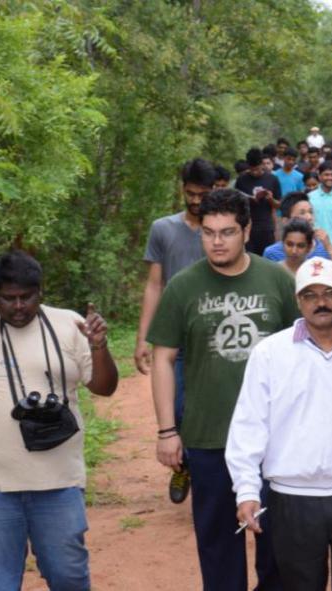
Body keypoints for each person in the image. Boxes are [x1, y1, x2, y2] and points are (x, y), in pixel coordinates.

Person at [0, 251, 119, 590]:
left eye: (26, 297)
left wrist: (99, 345)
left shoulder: (69, 325)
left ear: (40, 292)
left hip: (59, 483)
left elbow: (104, 387)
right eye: (8, 298)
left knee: (69, 578)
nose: (18, 306)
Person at [148, 189, 298, 591]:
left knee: (278, 547)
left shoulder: (276, 280)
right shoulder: (183, 286)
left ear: (247, 231)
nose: (217, 241)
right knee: (217, 549)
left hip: (275, 437)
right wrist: (167, 430)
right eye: (209, 232)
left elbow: (301, 353)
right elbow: (163, 358)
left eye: (227, 232)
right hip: (209, 435)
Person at [225, 256, 332, 591]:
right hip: (293, 498)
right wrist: (246, 490)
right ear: (298, 301)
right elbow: (249, 426)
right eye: (310, 295)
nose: (320, 302)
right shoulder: (270, 355)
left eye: (328, 293)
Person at [136, 158, 217, 503]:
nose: (196, 201)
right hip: (177, 338)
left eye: (202, 194)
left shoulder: (222, 232)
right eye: (190, 193)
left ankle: (215, 477)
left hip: (216, 338)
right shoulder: (163, 229)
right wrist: (143, 337)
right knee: (178, 407)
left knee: (216, 410)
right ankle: (183, 468)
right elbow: (154, 285)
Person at [263, 191, 332, 261]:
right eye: (302, 213)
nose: (309, 217)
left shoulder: (325, 248)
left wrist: (329, 248)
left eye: (311, 212)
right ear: (286, 221)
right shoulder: (272, 253)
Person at [235, 147, 281, 255]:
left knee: (267, 257)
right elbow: (236, 202)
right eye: (252, 169)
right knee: (249, 257)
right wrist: (248, 199)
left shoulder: (272, 179)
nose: (255, 172)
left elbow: (278, 205)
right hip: (248, 226)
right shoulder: (242, 180)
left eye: (257, 169)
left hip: (266, 227)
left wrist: (270, 199)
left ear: (262, 164)